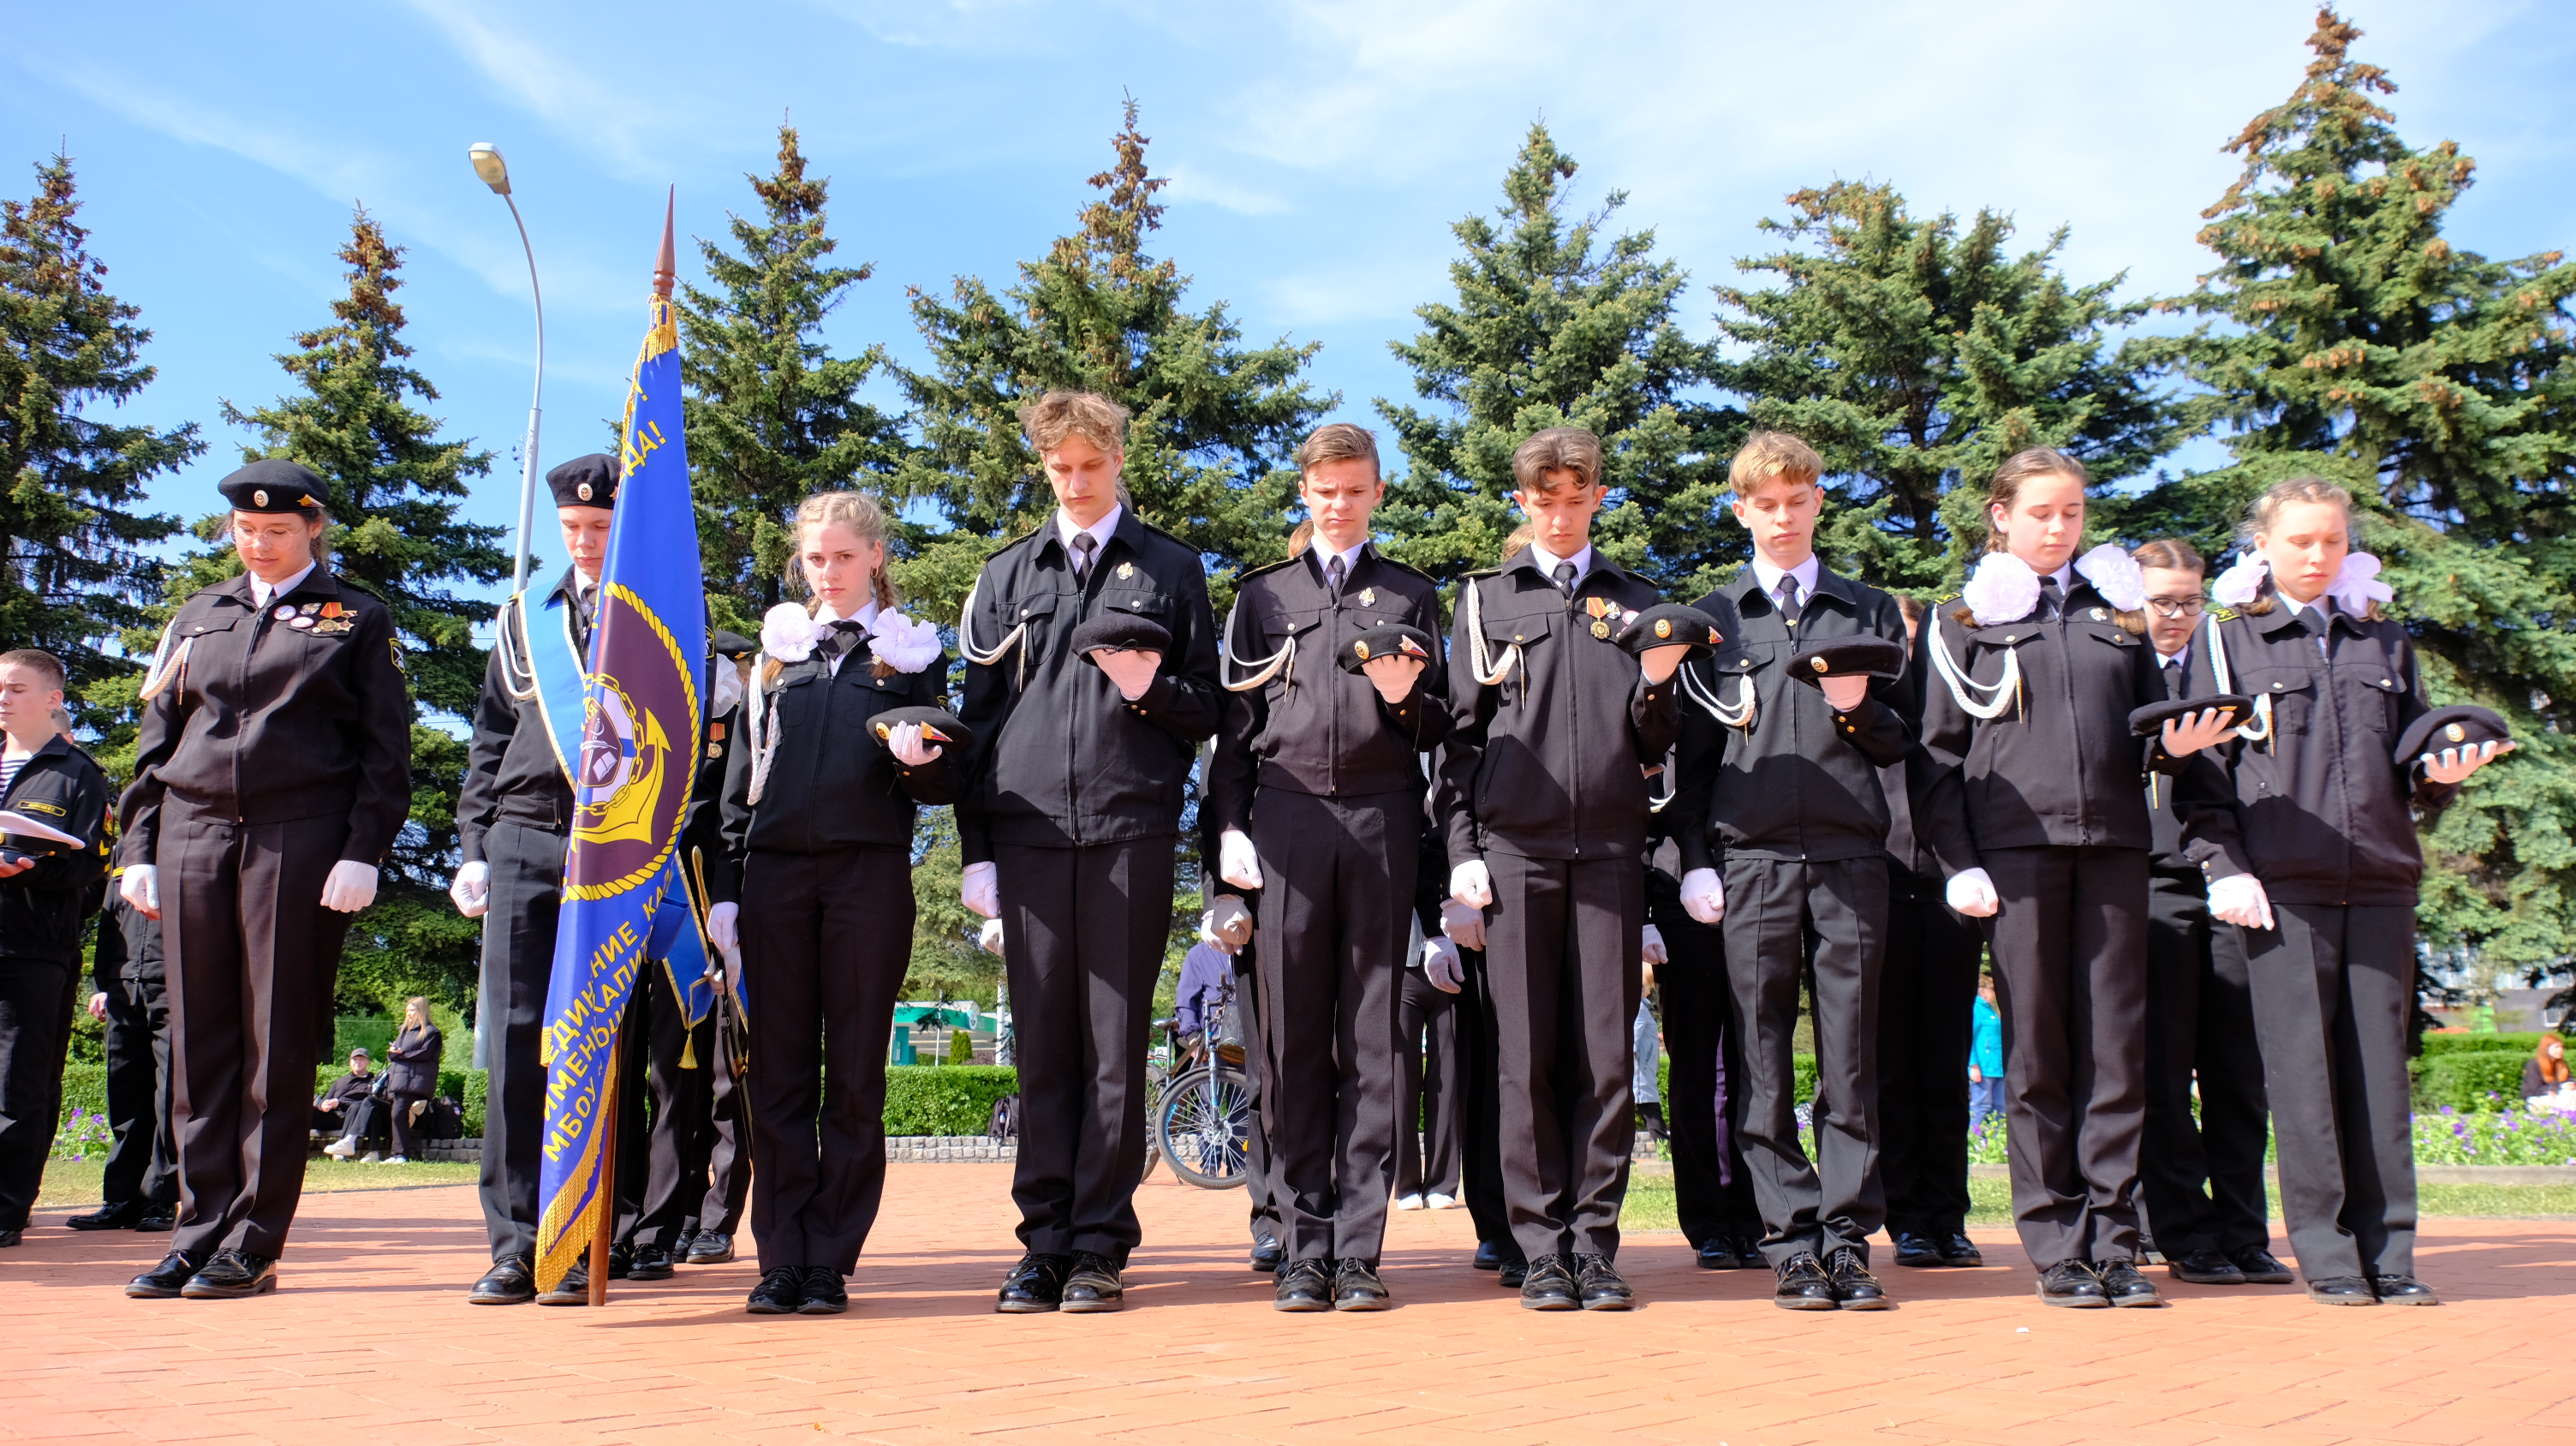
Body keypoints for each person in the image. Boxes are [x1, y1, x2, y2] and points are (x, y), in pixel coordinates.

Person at [1912, 447, 2235, 1310]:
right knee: (2037, 1055)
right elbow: (1937, 758)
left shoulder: (2118, 613)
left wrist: (2174, 749)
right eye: (2042, 512)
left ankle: (2114, 1241)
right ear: (2001, 515)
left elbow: (2147, 732)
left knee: (2114, 1053)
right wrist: (1958, 861)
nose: (2059, 528)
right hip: (2016, 856)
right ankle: (2057, 1243)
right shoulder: (1963, 620)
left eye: (2073, 512)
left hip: (2115, 852)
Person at [2179, 475, 2508, 1307]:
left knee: (2378, 1077)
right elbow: (2200, 773)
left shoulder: (2383, 639)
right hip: (2282, 887)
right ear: (2262, 544)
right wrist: (2224, 867)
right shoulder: (2227, 638)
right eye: (2299, 540)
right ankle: (2328, 1257)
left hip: (2381, 881)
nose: (2318, 554)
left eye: (2332, 540)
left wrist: (2442, 776)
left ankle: (2389, 1255)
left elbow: (2413, 762)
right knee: (2302, 1078)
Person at [956, 391, 1223, 1315]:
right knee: (1041, 1048)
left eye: (1090, 466)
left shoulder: (1171, 568)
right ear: (1044, 468)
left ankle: (1100, 1245)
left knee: (1113, 1047)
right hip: (1026, 833)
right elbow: (976, 725)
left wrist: (1151, 690)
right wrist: (977, 850)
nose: (1075, 483)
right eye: (1060, 468)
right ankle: (1042, 1244)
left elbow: (1209, 708)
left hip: (1128, 832)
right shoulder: (1007, 574)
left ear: (1118, 462)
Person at [117, 460, 411, 1300]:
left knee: (273, 1042)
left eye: (278, 530)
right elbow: (157, 739)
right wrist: (139, 847)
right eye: (246, 530)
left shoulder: (356, 617)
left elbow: (384, 750)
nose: (260, 544)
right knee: (198, 1044)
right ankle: (196, 1232)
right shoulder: (198, 614)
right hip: (193, 831)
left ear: (313, 527)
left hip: (298, 835)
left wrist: (363, 848)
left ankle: (252, 1240)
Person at [1438, 426, 1689, 1312]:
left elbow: (1658, 746)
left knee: (1605, 1060)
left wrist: (1657, 685)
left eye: (1575, 499)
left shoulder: (1638, 600)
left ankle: (1594, 1243)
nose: (1559, 514)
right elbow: (1458, 741)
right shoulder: (1483, 600)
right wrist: (1461, 854)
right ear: (1523, 501)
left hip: (1611, 854)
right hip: (1517, 855)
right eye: (1544, 500)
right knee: (1526, 1058)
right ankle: (1541, 1247)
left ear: (1598, 498)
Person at [1667, 431, 1914, 1312]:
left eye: (1797, 501)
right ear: (1740, 510)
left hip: (1851, 860)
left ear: (1818, 502)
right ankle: (1789, 1241)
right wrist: (1694, 861)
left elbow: (1905, 738)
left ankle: (1845, 1239)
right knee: (1762, 1057)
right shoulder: (1712, 618)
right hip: (1752, 862)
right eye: (1765, 504)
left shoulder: (1866, 610)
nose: (1782, 517)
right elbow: (1688, 765)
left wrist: (1857, 713)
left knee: (1850, 1056)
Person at [1207, 421, 1450, 1312]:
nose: (1339, 504)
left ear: (1377, 492)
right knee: (1290, 1046)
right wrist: (1227, 835)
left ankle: (1358, 1251)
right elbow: (1233, 734)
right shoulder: (1261, 596)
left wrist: (1407, 701)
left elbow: (1445, 730)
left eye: (1354, 489)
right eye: (1324, 490)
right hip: (1286, 823)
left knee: (1375, 1043)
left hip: (1383, 820)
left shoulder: (1413, 593)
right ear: (1302, 493)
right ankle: (1302, 1244)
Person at [705, 490, 957, 1316]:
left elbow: (941, 785)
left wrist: (922, 762)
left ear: (876, 556)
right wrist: (728, 891)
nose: (829, 572)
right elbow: (738, 786)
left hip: (867, 877)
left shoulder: (910, 654)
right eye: (816, 558)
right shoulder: (776, 655)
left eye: (845, 556)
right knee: (777, 1073)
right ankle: (781, 1255)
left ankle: (830, 1259)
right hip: (775, 878)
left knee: (852, 1075)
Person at [450, 454, 619, 1306]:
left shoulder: (659, 614)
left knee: (603, 1041)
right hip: (522, 834)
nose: (584, 542)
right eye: (572, 528)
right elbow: (488, 737)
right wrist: (473, 845)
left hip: (614, 842)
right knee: (517, 1038)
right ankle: (516, 1242)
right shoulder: (527, 618)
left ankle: (585, 1236)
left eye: (600, 528)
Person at [2128, 540, 2288, 1289]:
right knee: (2161, 1072)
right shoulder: (2117, 670)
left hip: (2233, 882)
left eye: (2189, 601)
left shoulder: (2227, 667)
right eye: (2161, 601)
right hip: (2150, 884)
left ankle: (2245, 1232)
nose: (2175, 616)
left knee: (2238, 1070)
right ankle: (2182, 1231)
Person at [1874, 594, 1985, 1270]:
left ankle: (1947, 1215)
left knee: (1945, 1065)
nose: (1907, 656)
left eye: (1914, 642)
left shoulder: (1956, 716)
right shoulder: (1864, 716)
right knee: (1889, 1068)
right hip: (1881, 896)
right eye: (1896, 645)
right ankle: (1906, 1218)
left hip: (1949, 898)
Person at [0, 654, 112, 1247]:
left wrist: (28, 869)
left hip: (31, 947)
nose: (3, 699)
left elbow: (92, 867)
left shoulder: (77, 774)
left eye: (16, 688)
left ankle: (5, 1208)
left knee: (16, 1082)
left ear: (52, 698)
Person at [1643, 797, 1765, 1271]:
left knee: (1754, 1069)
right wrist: (1643, 914)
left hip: (1753, 895)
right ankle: (1709, 1222)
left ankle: (1752, 1217)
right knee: (1698, 1073)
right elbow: (1646, 818)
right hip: (1681, 903)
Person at [69, 873, 177, 1233]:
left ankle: (160, 1198)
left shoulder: (187, 843)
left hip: (173, 981)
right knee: (125, 1093)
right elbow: (110, 918)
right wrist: (101, 984)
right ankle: (122, 1198)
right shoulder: (126, 854)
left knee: (170, 1095)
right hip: (123, 983)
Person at [379, 997, 443, 1165]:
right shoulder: (404, 1031)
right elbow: (394, 1055)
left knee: (398, 1114)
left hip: (415, 1081)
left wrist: (401, 1055)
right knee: (398, 1115)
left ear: (422, 1011)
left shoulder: (431, 1033)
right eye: (407, 1010)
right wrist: (393, 1053)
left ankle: (401, 1154)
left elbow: (425, 1054)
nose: (409, 1014)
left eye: (413, 1010)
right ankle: (397, 1153)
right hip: (400, 1079)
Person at [314, 1049, 383, 1155]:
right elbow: (326, 1099)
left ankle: (343, 1148)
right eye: (355, 1059)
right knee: (308, 1110)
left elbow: (366, 1104)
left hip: (352, 1117)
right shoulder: (341, 1081)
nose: (357, 1062)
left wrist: (340, 1103)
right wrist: (323, 1105)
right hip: (332, 1116)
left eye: (361, 1059)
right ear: (350, 1062)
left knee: (356, 1107)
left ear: (368, 1062)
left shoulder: (371, 1083)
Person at [1968, 977, 2005, 1125]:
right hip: (1983, 1068)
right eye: (1993, 990)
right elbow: (1969, 1038)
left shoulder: (1991, 1010)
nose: (1995, 994)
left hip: (1998, 1069)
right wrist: (1973, 1065)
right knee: (1981, 1106)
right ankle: (1975, 1137)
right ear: (1983, 990)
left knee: (2000, 1107)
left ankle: (1995, 1138)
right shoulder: (1976, 1008)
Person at [2523, 1037, 2570, 1104]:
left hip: (2558, 1094)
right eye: (2556, 1047)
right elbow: (2535, 1089)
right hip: (2535, 1098)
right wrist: (2560, 1087)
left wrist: (2570, 1084)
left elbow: (2569, 1079)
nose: (2560, 1050)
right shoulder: (2533, 1064)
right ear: (2546, 1048)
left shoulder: (2562, 1064)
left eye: (2562, 1047)